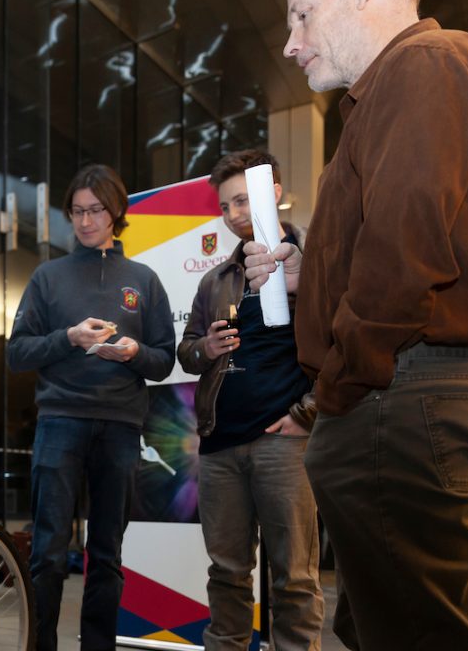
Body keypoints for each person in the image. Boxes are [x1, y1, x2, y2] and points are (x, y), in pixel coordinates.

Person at [244, 0, 468, 649]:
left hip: (401, 395)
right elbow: (412, 239)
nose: (290, 43)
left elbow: (406, 255)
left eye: (302, 16)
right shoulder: (390, 94)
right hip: (402, 395)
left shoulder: (426, 65)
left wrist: (339, 387)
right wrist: (309, 279)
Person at [7, 164, 176, 651]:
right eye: (77, 211)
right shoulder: (48, 277)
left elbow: (164, 360)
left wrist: (131, 353)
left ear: (116, 211)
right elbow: (18, 352)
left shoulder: (143, 280)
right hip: (60, 421)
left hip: (122, 427)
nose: (85, 221)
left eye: (96, 210)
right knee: (48, 554)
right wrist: (69, 338)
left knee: (106, 554)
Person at [177, 150, 323, 651]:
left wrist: (307, 415)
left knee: (295, 578)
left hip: (285, 443)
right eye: (225, 206)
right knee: (226, 573)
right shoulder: (214, 280)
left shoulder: (318, 259)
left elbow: (343, 344)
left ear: (272, 192)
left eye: (243, 199)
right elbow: (188, 351)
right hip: (219, 446)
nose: (236, 213)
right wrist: (206, 347)